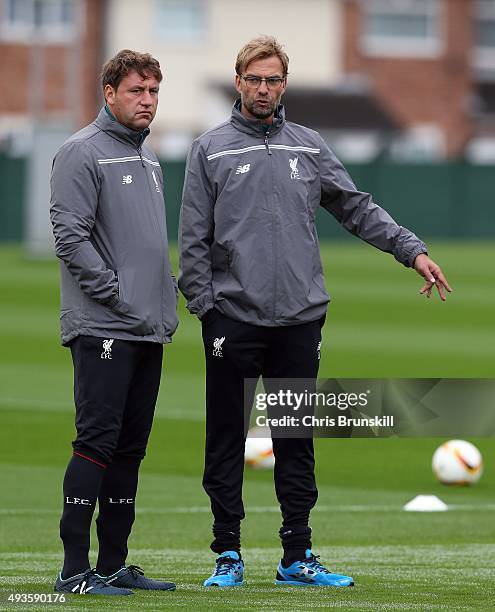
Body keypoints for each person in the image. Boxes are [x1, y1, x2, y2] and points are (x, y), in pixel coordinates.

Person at [178, 36, 451, 588]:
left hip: (300, 318)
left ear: (284, 84)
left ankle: (296, 556)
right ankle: (227, 554)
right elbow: (191, 241)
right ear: (238, 81)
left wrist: (411, 250)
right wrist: (208, 310)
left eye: (273, 79)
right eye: (253, 79)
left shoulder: (308, 146)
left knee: (295, 439)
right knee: (226, 437)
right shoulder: (210, 149)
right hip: (233, 319)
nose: (263, 89)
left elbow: (355, 206)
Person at [50, 49, 179, 596]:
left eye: (152, 91)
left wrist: (161, 301)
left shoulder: (148, 161)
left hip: (146, 328)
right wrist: (118, 296)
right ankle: (73, 572)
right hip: (104, 328)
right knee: (95, 443)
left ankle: (112, 565)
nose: (147, 101)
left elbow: (144, 249)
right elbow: (70, 238)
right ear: (109, 93)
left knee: (130, 450)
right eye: (136, 91)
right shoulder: (81, 152)